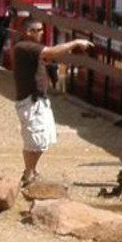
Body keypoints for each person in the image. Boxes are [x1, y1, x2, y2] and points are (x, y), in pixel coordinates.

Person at [10, 15, 92, 186]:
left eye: (41, 30)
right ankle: (29, 174)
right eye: (36, 30)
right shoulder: (24, 46)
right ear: (27, 32)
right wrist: (75, 42)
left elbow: (49, 56)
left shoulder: (30, 47)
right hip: (30, 101)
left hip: (39, 99)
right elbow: (52, 52)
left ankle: (30, 171)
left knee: (44, 138)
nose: (40, 33)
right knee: (34, 139)